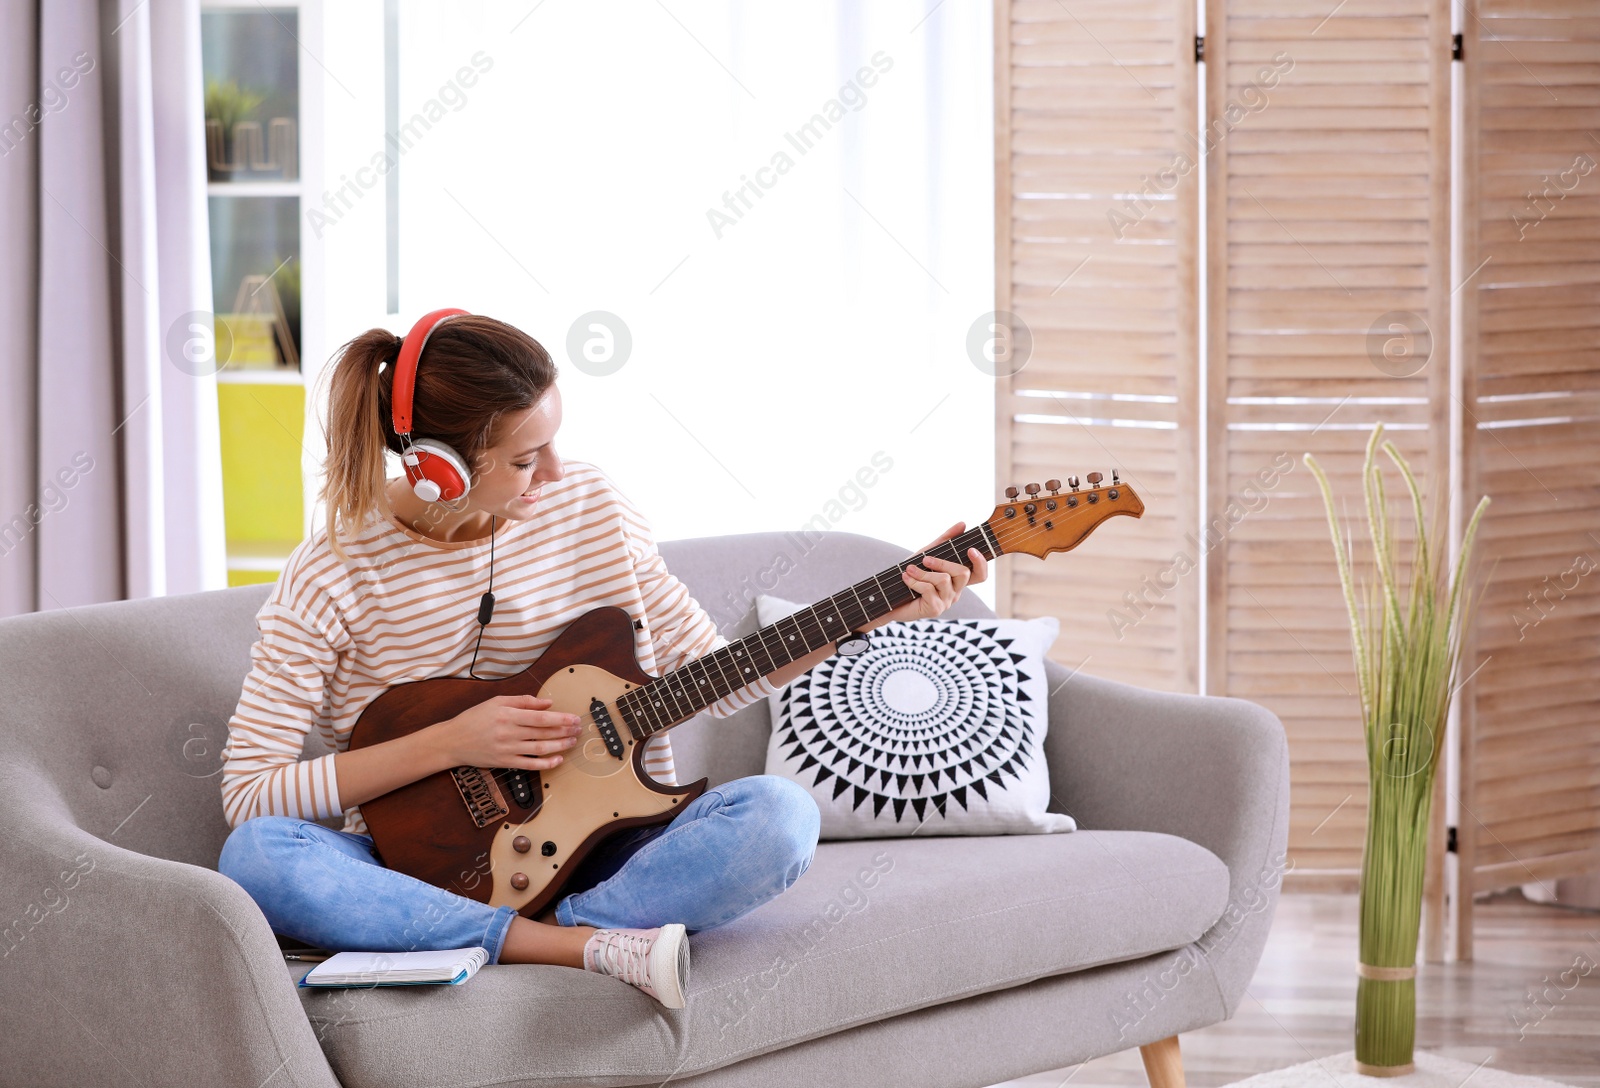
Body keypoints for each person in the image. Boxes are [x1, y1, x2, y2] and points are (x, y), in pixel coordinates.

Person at [216, 311, 987, 1008]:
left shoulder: (591, 508)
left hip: (609, 852)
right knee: (257, 857)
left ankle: (528, 931)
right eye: (523, 460)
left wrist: (885, 606)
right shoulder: (331, 574)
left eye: (553, 443)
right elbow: (250, 795)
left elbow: (711, 672)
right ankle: (570, 947)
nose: (553, 474)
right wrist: (454, 742)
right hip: (414, 866)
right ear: (437, 467)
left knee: (779, 819)